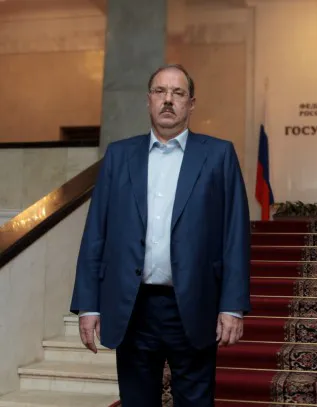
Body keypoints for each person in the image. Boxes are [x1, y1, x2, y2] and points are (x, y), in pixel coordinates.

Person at [69, 63, 251, 407]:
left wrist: (233, 305)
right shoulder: (119, 155)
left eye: (178, 93)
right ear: (148, 100)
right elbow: (96, 233)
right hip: (132, 307)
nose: (168, 99)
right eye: (160, 91)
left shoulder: (219, 155)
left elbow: (235, 235)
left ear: (191, 104)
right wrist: (88, 304)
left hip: (195, 304)